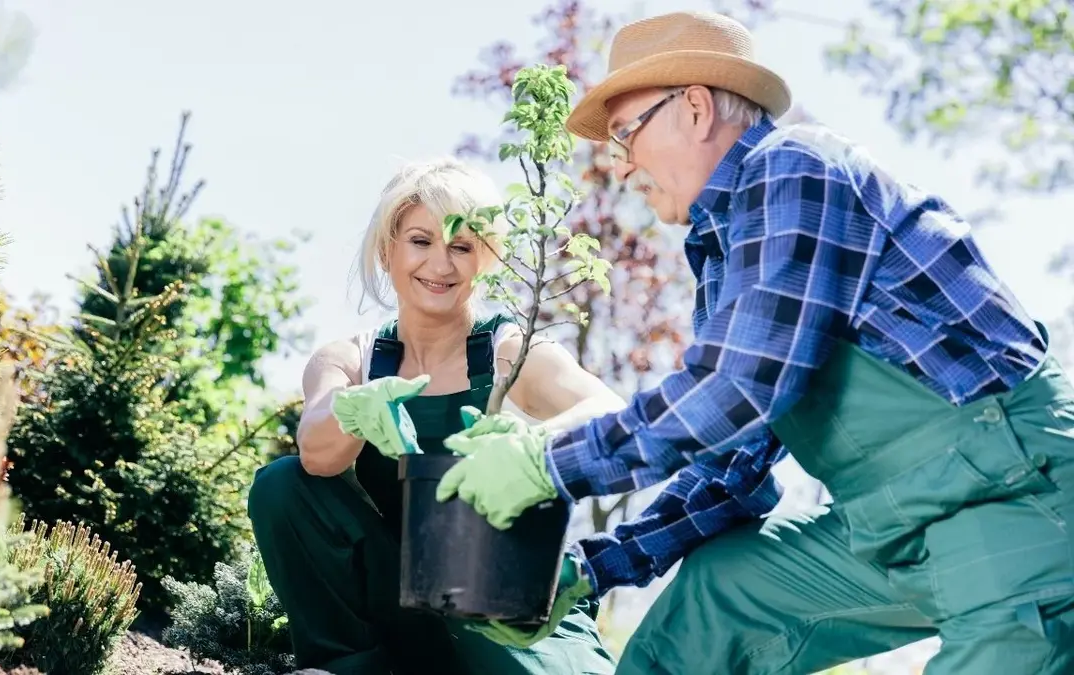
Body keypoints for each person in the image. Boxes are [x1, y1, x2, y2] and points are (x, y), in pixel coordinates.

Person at [438, 10, 1074, 675]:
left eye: (625, 133)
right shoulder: (725, 253)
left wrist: (548, 463)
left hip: (1012, 494)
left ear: (693, 108)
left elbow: (738, 388)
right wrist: (590, 569)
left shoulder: (794, 168)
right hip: (895, 523)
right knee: (720, 597)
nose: (620, 164)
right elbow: (731, 462)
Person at [246, 157, 619, 675]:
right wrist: (353, 411)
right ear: (387, 249)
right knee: (282, 484)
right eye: (421, 241)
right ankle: (349, 666)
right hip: (398, 595)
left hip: (499, 593)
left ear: (483, 258)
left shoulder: (510, 351)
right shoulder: (351, 359)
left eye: (462, 247)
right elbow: (314, 454)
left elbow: (609, 409)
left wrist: (535, 444)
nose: (441, 266)